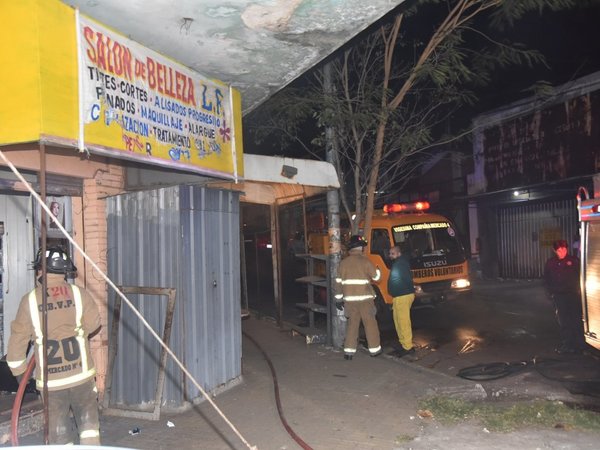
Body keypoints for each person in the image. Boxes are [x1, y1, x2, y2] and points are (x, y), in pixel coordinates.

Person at [7, 246, 102, 445]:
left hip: (52, 384)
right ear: (65, 270)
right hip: (82, 377)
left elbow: (16, 347)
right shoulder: (79, 294)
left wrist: (21, 376)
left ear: (40, 269)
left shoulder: (30, 301)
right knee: (89, 428)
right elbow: (94, 323)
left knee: (59, 434)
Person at [334, 235, 382, 360]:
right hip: (365, 300)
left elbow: (338, 283)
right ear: (360, 248)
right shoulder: (365, 261)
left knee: (352, 325)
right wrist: (378, 270)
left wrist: (338, 299)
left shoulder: (343, 264)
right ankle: (374, 350)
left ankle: (349, 352)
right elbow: (377, 278)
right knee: (370, 324)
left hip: (350, 301)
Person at [543, 239, 586, 354]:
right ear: (555, 250)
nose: (562, 252)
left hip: (573, 296)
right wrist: (550, 292)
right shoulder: (551, 263)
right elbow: (546, 279)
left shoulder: (574, 261)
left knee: (576, 320)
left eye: (564, 249)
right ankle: (568, 344)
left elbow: (581, 276)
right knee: (564, 321)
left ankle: (580, 345)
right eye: (559, 250)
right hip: (559, 296)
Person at [387, 245, 416, 357]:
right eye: (389, 253)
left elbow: (405, 280)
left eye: (392, 253)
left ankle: (407, 347)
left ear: (398, 253)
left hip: (403, 295)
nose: (390, 256)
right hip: (400, 296)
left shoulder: (401, 264)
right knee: (398, 320)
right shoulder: (399, 263)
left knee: (403, 322)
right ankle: (403, 343)